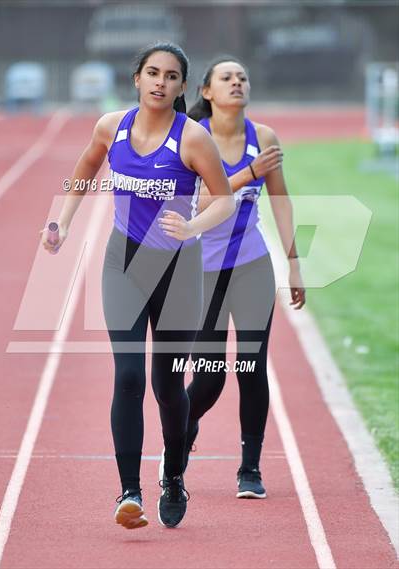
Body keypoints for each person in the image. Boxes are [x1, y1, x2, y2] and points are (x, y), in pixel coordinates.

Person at [41, 44, 235, 529]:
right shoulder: (112, 127)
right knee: (128, 377)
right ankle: (130, 493)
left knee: (167, 385)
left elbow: (224, 200)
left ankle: (173, 472)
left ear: (183, 87)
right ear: (136, 78)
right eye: (152, 73)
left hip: (178, 271)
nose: (160, 83)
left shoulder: (192, 139)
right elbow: (85, 169)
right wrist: (61, 223)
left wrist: (192, 228)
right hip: (122, 263)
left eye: (171, 77)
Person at [183, 57, 306, 499]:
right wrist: (247, 174)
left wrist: (293, 263)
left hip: (252, 266)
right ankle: (181, 427)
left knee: (252, 369)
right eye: (226, 78)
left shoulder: (264, 138)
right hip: (201, 271)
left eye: (242, 77)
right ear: (208, 91)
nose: (237, 83)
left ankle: (250, 469)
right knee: (211, 376)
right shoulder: (191, 138)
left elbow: (282, 201)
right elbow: (196, 205)